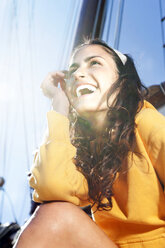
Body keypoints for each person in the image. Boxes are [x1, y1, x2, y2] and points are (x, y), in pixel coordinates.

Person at [14, 39, 165, 248]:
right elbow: (52, 186)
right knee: (55, 214)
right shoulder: (86, 153)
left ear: (122, 81)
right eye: (72, 70)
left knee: (57, 217)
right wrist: (58, 105)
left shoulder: (144, 120)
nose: (77, 74)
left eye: (95, 63)